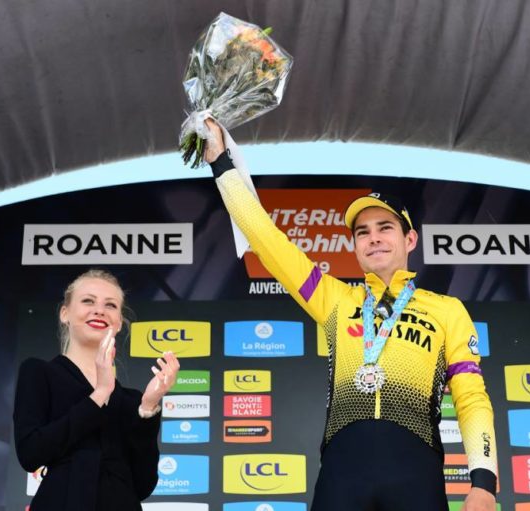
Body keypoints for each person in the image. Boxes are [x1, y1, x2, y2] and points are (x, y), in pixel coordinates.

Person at [203, 120, 498, 511]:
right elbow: (267, 241)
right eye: (362, 232)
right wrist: (221, 163)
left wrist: (483, 481)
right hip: (343, 473)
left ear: (409, 239)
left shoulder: (447, 310)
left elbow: (471, 397)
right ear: (355, 246)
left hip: (416, 472)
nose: (373, 237)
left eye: (385, 228)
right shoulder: (335, 300)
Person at [13, 269, 180, 511]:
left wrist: (147, 408)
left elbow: (142, 485)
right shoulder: (39, 372)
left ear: (119, 323)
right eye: (88, 301)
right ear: (65, 313)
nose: (99, 310)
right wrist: (99, 395)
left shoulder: (132, 400)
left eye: (110, 305)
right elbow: (30, 453)